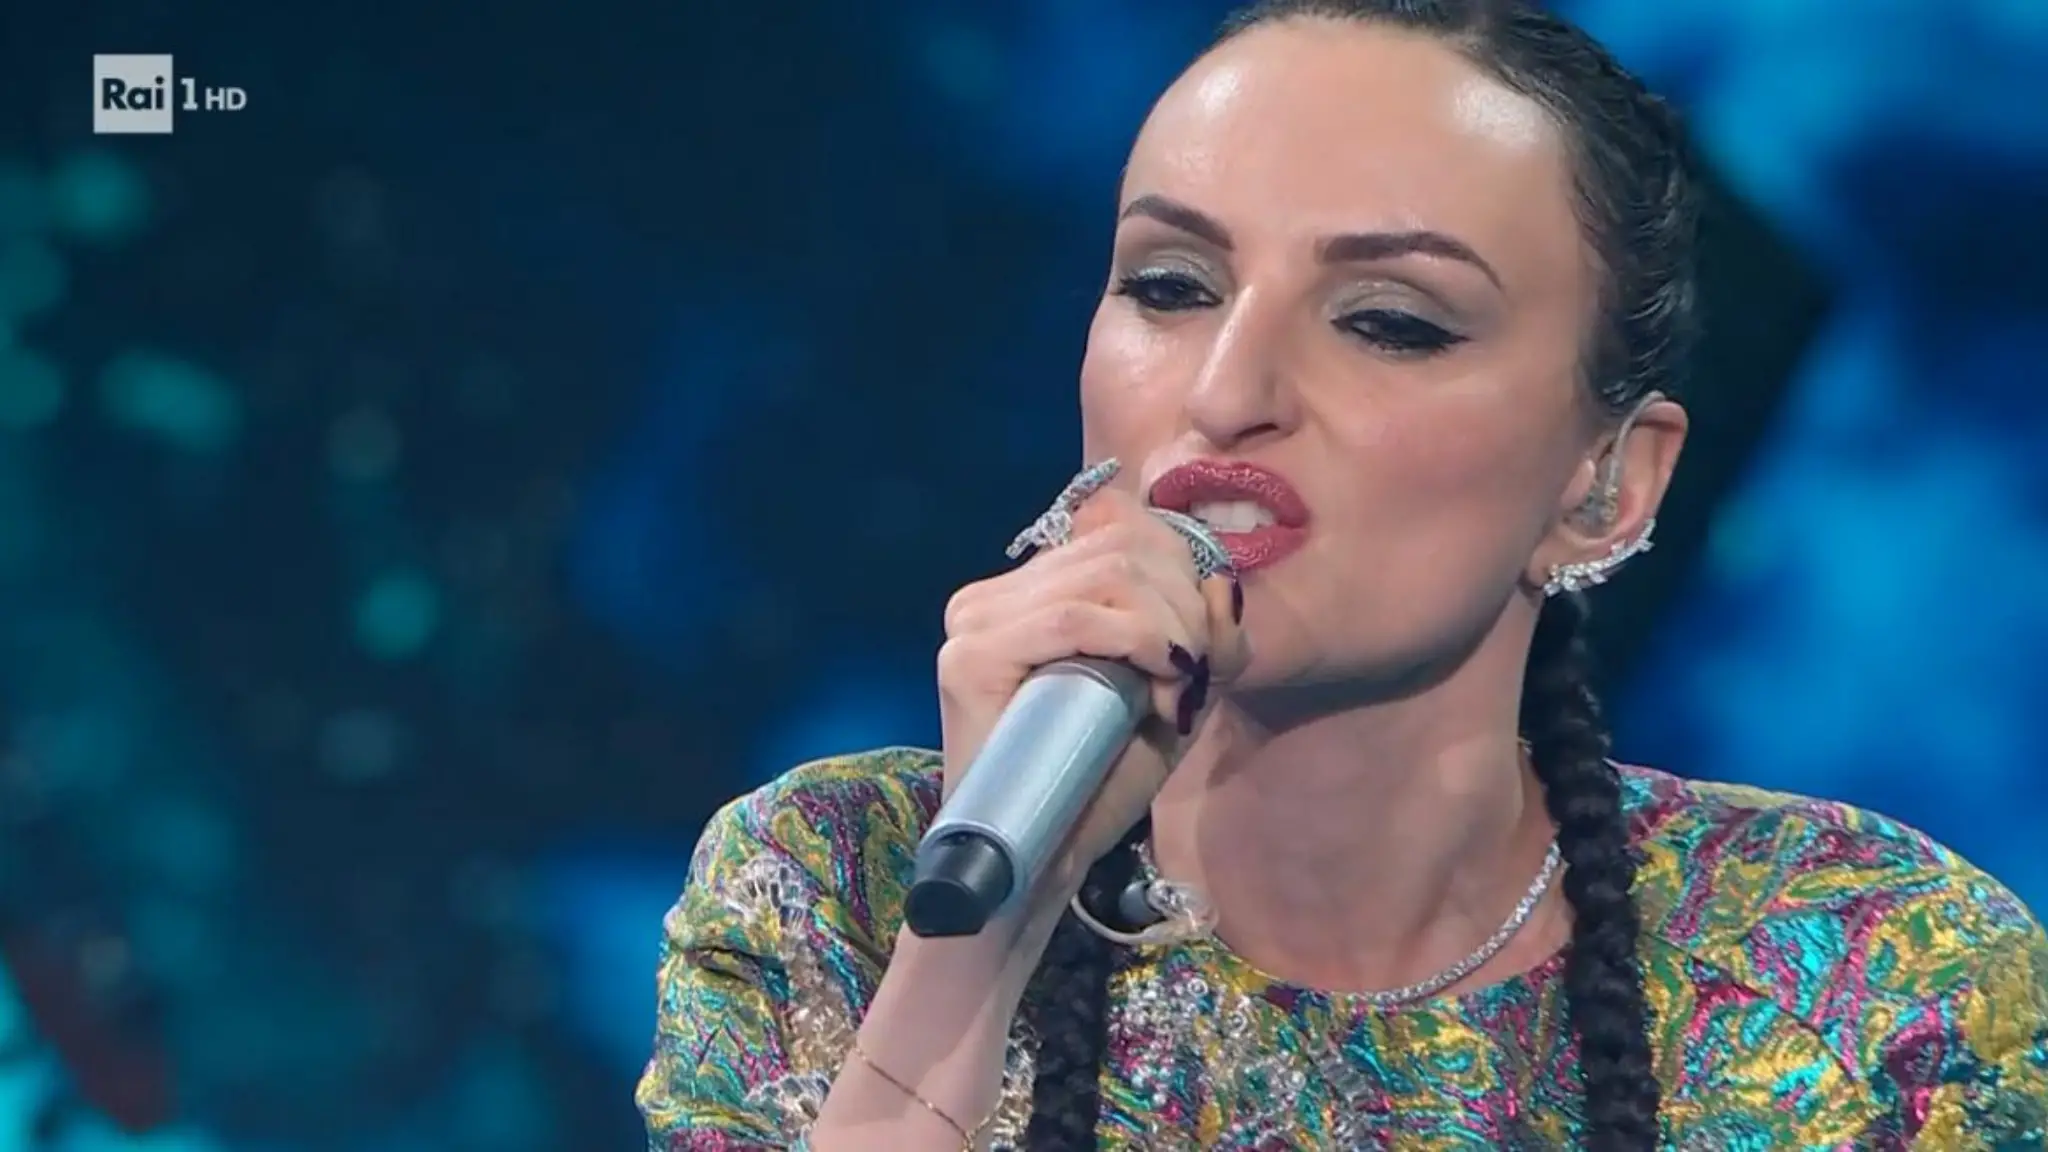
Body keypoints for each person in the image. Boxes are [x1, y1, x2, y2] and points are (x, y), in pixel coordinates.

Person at [636, 1, 2048, 1148]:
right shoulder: (833, 891)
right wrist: (977, 947)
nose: (1226, 391)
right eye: (1170, 286)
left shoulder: (1863, 975)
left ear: (1607, 483)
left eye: (1389, 320)